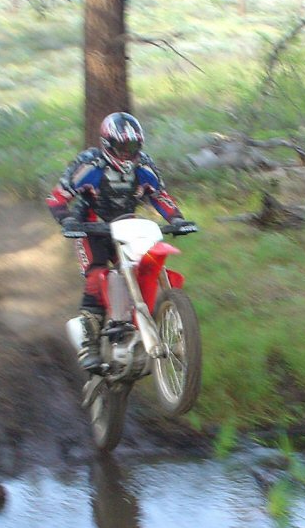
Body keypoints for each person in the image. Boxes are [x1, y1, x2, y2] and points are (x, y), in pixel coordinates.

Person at [46, 112, 197, 371]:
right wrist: (68, 221)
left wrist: (177, 219)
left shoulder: (144, 167)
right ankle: (90, 348)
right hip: (91, 228)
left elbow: (160, 196)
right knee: (96, 276)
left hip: (128, 226)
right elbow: (57, 198)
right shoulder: (90, 165)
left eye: (133, 147)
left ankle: (149, 321)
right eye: (122, 147)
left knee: (145, 265)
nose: (127, 154)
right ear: (107, 144)